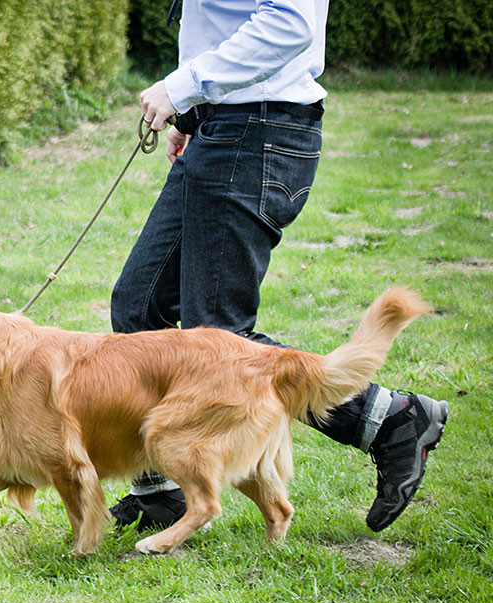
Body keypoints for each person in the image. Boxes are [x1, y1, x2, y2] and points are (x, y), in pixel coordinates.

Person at [110, 0, 449, 533]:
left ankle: (389, 421)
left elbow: (290, 21)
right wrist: (195, 109)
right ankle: (162, 491)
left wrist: (185, 83)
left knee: (219, 334)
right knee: (140, 306)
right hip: (221, 127)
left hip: (257, 131)